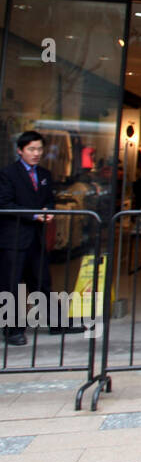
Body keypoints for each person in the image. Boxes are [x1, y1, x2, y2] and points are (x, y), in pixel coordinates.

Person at [0, 131, 57, 345]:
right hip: (13, 237)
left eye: (39, 149)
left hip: (36, 237)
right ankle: (12, 329)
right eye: (31, 149)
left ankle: (56, 322)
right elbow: (5, 204)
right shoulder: (7, 174)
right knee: (10, 285)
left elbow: (49, 199)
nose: (36, 153)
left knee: (41, 281)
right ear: (20, 150)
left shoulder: (44, 174)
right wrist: (35, 214)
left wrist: (50, 211)